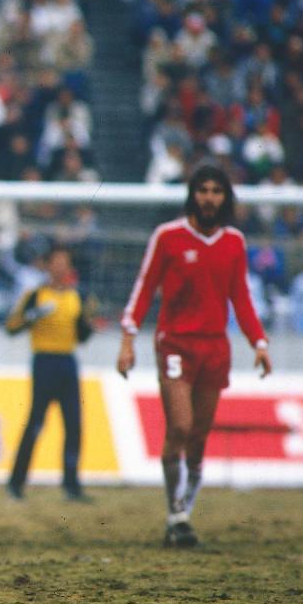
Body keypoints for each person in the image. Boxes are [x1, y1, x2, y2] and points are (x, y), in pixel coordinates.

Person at [118, 163, 272, 548]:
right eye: (203, 190)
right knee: (180, 427)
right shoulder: (168, 237)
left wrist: (259, 342)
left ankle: (183, 512)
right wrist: (128, 337)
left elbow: (241, 297)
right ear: (193, 194)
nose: (209, 197)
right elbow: (145, 286)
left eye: (216, 191)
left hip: (215, 347)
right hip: (175, 344)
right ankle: (176, 512)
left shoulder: (234, 242)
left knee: (199, 437)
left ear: (225, 197)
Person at [5, 244, 94, 502]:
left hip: (67, 361)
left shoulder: (76, 296)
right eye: (56, 262)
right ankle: (16, 483)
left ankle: (71, 485)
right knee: (35, 424)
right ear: (47, 266)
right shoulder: (35, 295)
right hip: (43, 361)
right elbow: (12, 327)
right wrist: (33, 316)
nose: (60, 268)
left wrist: (89, 322)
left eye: (64, 263)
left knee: (73, 425)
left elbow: (82, 336)